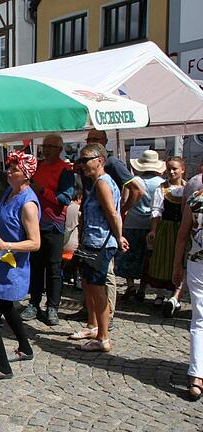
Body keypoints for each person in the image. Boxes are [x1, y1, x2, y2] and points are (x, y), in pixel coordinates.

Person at [0, 151, 41, 380]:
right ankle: (25, 347)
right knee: (5, 307)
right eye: (10, 167)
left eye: (15, 169)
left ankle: (3, 366)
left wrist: (6, 243)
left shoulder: (28, 203)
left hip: (11, 265)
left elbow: (35, 242)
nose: (9, 171)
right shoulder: (9, 193)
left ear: (26, 175)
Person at [70, 130, 144, 324]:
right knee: (89, 279)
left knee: (102, 278)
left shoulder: (111, 167)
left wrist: (121, 214)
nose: (83, 162)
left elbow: (137, 190)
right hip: (90, 230)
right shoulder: (93, 175)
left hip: (102, 235)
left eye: (94, 140)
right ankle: (92, 318)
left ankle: (105, 318)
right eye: (88, 140)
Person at [68, 144, 128, 352]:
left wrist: (119, 237)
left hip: (100, 243)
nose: (81, 164)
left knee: (98, 289)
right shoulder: (97, 183)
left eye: (85, 160)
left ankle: (103, 337)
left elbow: (113, 213)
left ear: (99, 160)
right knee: (88, 285)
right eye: (80, 160)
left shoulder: (103, 183)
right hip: (91, 242)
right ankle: (93, 327)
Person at [20, 135, 75, 326]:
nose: (47, 149)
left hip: (54, 225)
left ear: (60, 149)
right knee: (35, 267)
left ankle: (52, 306)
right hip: (35, 223)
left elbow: (65, 199)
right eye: (45, 146)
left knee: (53, 268)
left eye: (51, 146)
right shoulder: (39, 166)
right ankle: (34, 303)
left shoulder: (65, 170)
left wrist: (42, 191)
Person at [118, 150, 165, 300]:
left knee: (129, 256)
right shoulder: (161, 183)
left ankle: (130, 285)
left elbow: (124, 201)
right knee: (147, 259)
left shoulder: (133, 181)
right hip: (152, 224)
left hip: (132, 222)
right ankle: (142, 289)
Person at [172, 182, 203, 400]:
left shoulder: (195, 199)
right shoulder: (194, 200)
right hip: (197, 265)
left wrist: (176, 266)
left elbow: (182, 236)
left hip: (196, 263)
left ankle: (196, 376)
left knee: (199, 319)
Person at [146, 157, 186, 312]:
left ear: (182, 169)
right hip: (166, 227)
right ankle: (160, 293)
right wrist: (154, 230)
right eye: (169, 169)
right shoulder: (162, 188)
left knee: (179, 259)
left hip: (182, 227)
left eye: (175, 168)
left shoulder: (188, 188)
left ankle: (175, 294)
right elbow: (156, 211)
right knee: (162, 258)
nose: (172, 171)